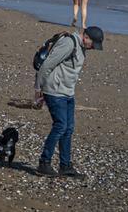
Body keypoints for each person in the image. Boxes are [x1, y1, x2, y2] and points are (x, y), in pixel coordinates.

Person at [35, 26, 103, 178]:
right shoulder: (69, 43)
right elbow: (47, 64)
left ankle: (65, 166)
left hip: (68, 92)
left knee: (68, 128)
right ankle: (43, 163)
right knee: (60, 126)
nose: (92, 48)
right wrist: (38, 89)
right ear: (85, 36)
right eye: (92, 44)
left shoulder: (81, 46)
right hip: (54, 90)